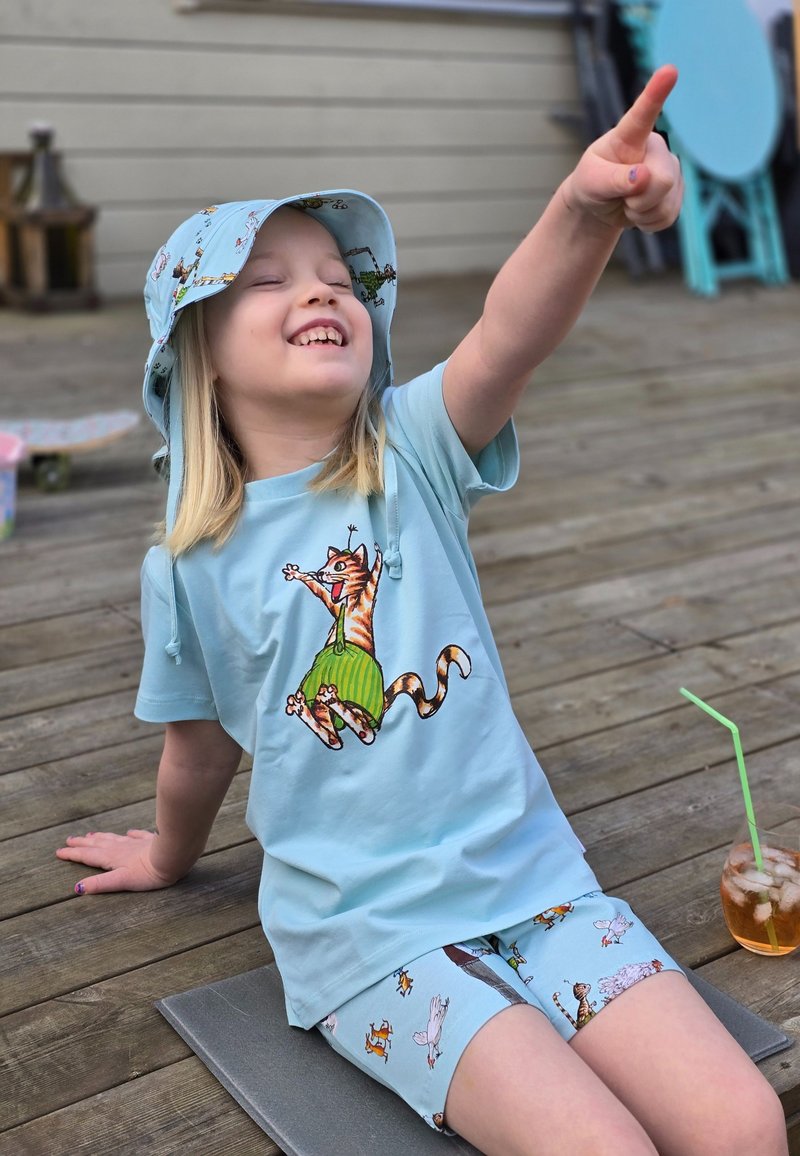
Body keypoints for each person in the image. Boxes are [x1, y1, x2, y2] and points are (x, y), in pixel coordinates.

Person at [56, 66, 787, 1156]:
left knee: (744, 1122)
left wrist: (584, 207)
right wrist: (168, 856)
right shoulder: (187, 564)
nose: (321, 292)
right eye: (269, 278)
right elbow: (198, 746)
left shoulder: (412, 455)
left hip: (539, 885)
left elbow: (511, 330)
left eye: (338, 278)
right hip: (369, 936)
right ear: (195, 355)